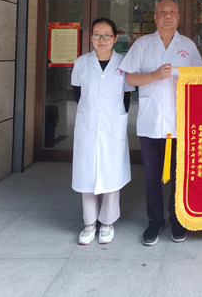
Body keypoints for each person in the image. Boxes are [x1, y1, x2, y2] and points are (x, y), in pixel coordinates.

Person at [120, 0, 202, 246]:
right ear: (155, 17)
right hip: (151, 121)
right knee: (152, 176)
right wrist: (155, 76)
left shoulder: (188, 46)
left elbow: (200, 79)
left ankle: (177, 219)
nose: (168, 16)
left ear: (178, 18)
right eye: (163, 12)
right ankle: (155, 221)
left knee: (180, 174)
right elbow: (129, 79)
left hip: (181, 122)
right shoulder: (142, 44)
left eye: (172, 12)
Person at [71, 18, 134, 245]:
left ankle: (107, 222)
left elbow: (127, 96)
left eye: (107, 35)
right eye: (97, 34)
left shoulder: (123, 63)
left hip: (112, 127)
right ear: (91, 38)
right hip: (87, 125)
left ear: (115, 38)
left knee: (111, 173)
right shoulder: (81, 63)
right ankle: (89, 223)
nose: (102, 39)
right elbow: (77, 94)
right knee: (86, 173)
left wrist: (115, 117)